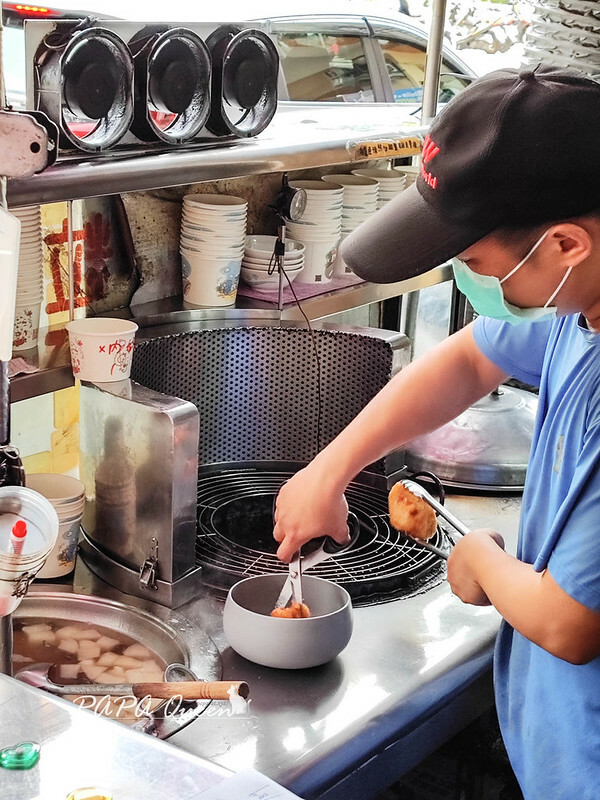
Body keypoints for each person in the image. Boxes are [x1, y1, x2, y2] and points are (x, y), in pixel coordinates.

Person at [272, 65, 600, 800]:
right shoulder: (576, 313)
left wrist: (481, 560)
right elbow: (467, 358)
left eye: (474, 261)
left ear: (566, 244)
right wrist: (330, 468)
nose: (465, 278)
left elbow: (570, 623)